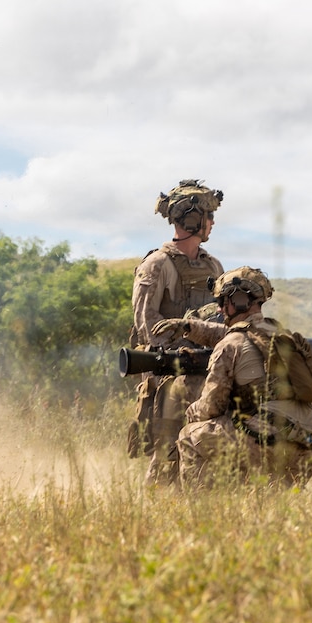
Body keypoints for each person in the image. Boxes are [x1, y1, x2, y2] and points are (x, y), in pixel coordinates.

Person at [152, 266, 312, 489]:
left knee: (191, 436)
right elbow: (232, 333)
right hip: (307, 445)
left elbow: (212, 405)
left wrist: (191, 412)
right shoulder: (279, 333)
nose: (220, 308)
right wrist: (189, 327)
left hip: (268, 442)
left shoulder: (230, 345)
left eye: (223, 301)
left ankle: (199, 510)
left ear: (238, 300)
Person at [129, 179, 225, 486]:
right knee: (166, 457)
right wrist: (181, 347)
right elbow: (146, 323)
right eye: (208, 216)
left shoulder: (214, 267)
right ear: (192, 219)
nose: (212, 222)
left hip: (208, 373)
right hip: (168, 375)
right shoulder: (156, 265)